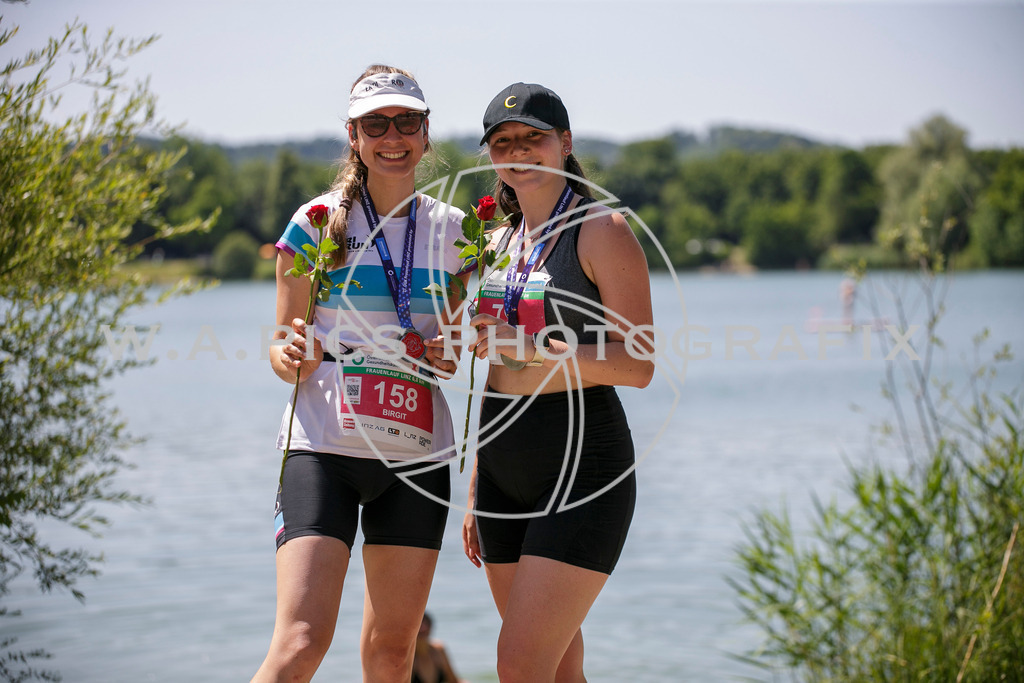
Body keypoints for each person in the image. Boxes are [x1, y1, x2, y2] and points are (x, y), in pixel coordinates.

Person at [253, 65, 470, 683]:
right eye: (377, 123)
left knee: (394, 654)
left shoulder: (457, 234)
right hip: (324, 448)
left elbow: (449, 350)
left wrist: (442, 353)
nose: (393, 135)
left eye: (406, 122)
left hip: (417, 456)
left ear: (426, 134)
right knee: (299, 644)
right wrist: (288, 356)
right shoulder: (316, 222)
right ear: (354, 135)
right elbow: (281, 343)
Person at [458, 83, 654, 682]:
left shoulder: (602, 230)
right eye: (504, 141)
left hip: (581, 466)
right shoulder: (497, 243)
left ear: (564, 144)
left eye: (533, 138)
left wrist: (541, 349)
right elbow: (493, 371)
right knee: (557, 671)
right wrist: (474, 487)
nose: (519, 151)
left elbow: (639, 364)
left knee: (518, 666)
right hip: (500, 472)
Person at [411, 613, 466, 683]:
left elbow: (453, 680)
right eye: (419, 625)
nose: (423, 628)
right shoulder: (406, 656)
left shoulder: (438, 649)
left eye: (425, 624)